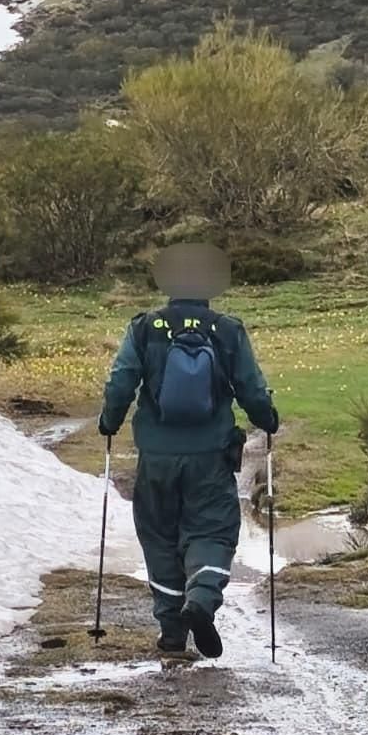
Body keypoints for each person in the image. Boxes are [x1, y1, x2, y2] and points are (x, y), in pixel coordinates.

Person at [97, 243, 279, 659]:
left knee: (159, 537)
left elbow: (121, 382)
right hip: (210, 457)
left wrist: (109, 421)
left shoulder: (145, 328)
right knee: (212, 530)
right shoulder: (227, 330)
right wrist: (267, 419)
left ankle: (172, 632)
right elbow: (251, 388)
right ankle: (201, 598)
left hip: (156, 458)